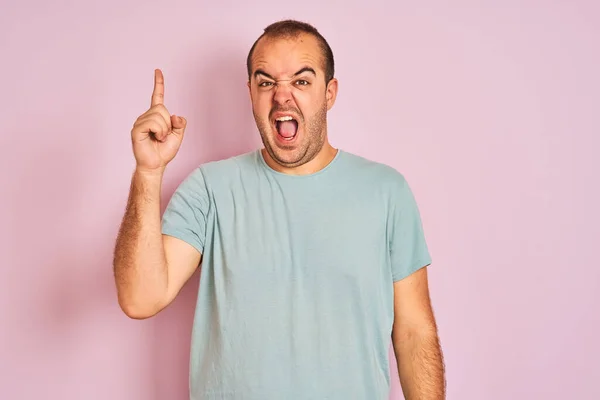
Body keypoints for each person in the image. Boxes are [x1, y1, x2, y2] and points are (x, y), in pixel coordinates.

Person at [113, 19, 446, 400]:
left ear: (329, 92)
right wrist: (149, 172)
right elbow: (141, 298)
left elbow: (414, 332)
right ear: (251, 92)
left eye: (301, 81)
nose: (282, 97)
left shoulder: (387, 191)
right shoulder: (209, 188)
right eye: (266, 82)